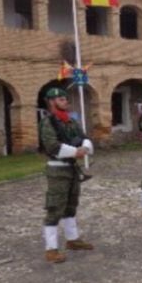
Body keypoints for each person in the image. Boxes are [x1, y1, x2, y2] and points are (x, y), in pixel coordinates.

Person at [38, 87, 95, 263]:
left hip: (71, 168)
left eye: (65, 98)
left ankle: (72, 239)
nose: (65, 101)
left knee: (71, 205)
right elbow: (52, 146)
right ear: (51, 102)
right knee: (55, 208)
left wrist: (85, 148)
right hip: (57, 169)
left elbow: (84, 137)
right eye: (60, 99)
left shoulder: (70, 121)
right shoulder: (48, 122)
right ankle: (51, 249)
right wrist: (76, 151)